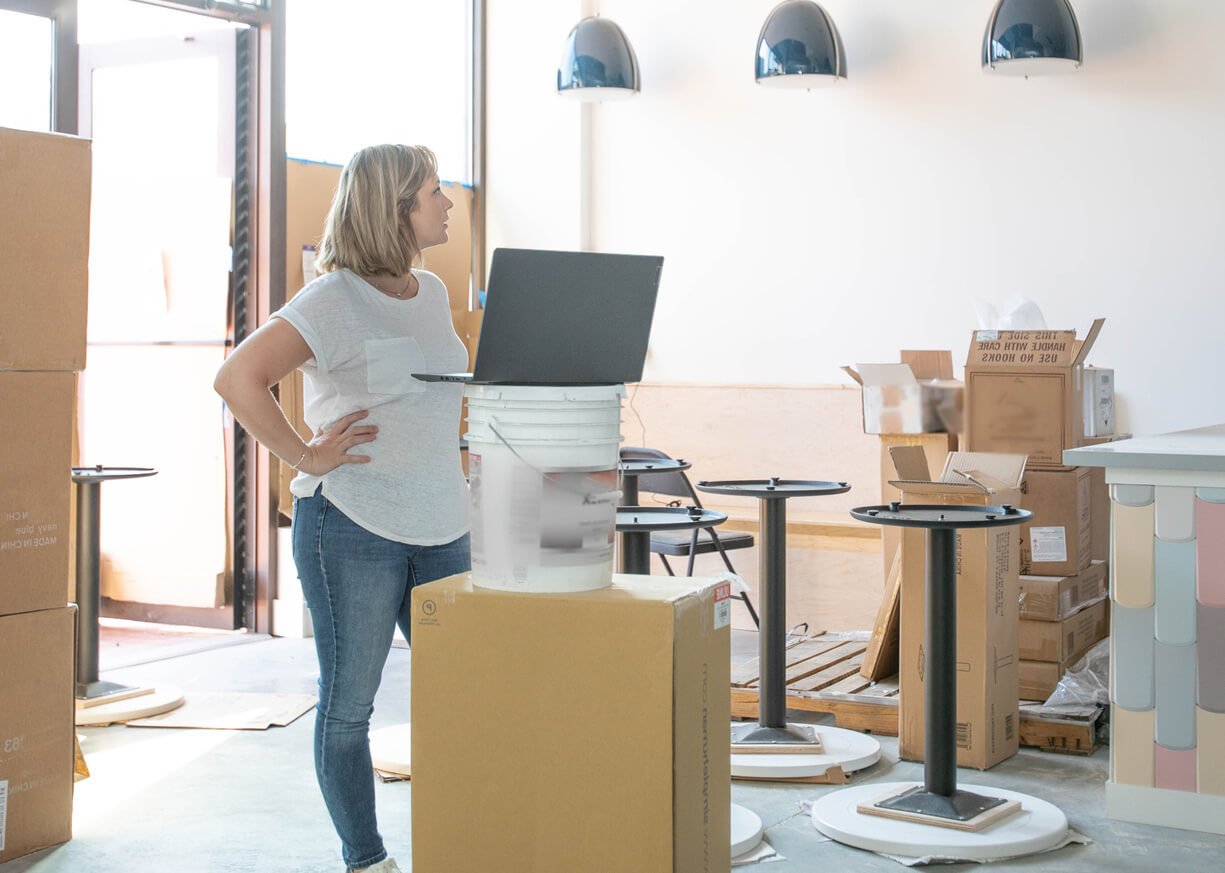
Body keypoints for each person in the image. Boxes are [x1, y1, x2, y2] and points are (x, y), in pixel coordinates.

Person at [214, 144, 470, 873]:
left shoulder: (428, 291)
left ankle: (466, 836)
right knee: (350, 705)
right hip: (353, 527)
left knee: (464, 697)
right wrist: (303, 454)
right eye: (433, 192)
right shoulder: (331, 298)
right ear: (396, 208)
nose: (447, 203)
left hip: (442, 526)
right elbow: (238, 378)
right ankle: (368, 859)